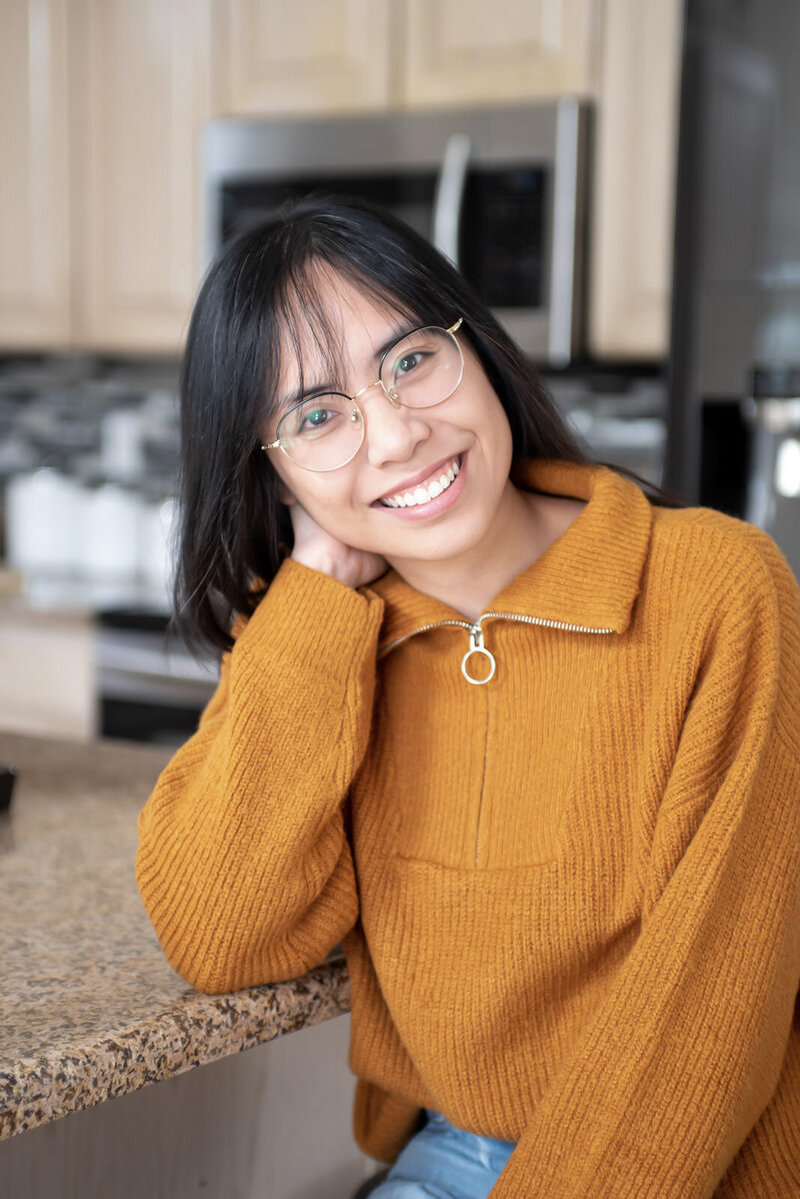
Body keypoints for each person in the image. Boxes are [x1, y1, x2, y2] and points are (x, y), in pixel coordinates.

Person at [136, 197, 800, 1199]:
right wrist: (317, 591)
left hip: (700, 1163)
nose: (397, 434)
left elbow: (712, 1004)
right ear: (269, 474)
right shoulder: (318, 636)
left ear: (474, 347)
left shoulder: (716, 588)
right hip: (452, 1152)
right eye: (316, 416)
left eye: (408, 359)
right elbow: (223, 931)